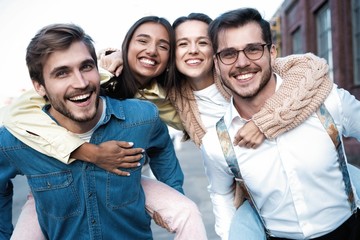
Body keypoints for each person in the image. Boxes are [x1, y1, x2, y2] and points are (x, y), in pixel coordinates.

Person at [4, 17, 208, 240]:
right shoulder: (107, 77)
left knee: (187, 211)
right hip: (52, 189)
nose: (80, 82)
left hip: (124, 185)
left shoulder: (149, 108)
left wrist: (173, 191)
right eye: (62, 73)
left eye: (163, 46)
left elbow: (162, 143)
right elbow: (15, 115)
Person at [203, 7, 360, 239]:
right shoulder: (217, 142)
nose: (242, 62)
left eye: (253, 49)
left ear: (272, 52)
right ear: (217, 64)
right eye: (228, 54)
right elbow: (221, 195)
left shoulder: (327, 101)